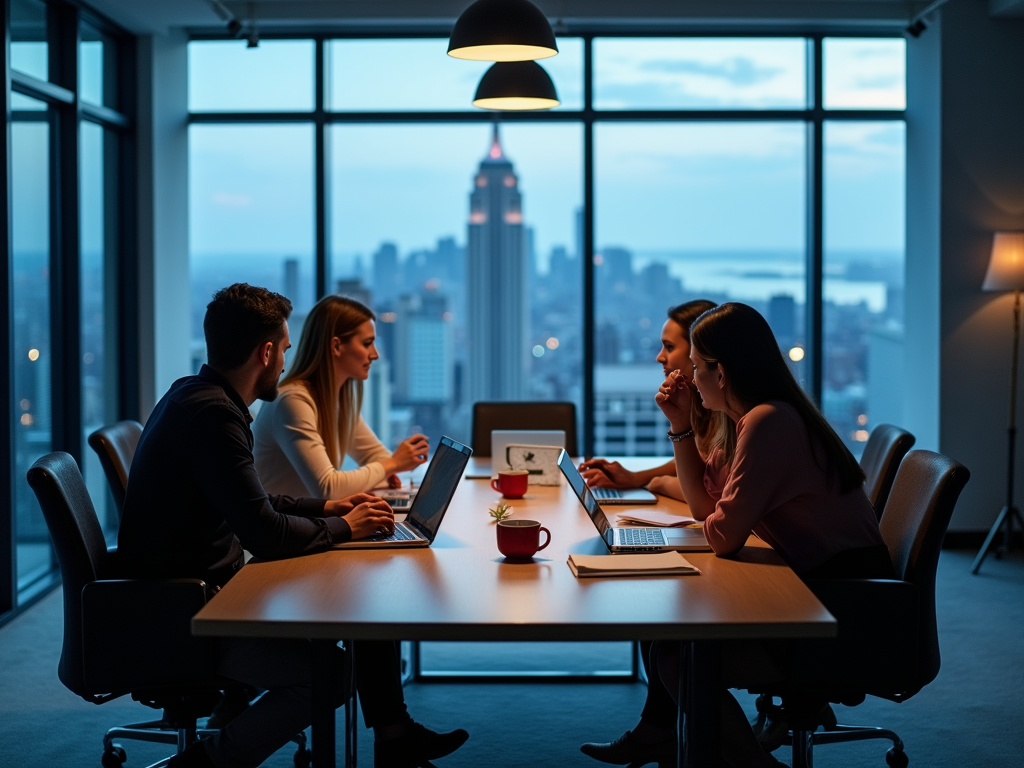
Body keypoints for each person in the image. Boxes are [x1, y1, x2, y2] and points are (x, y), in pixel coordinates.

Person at [117, 284, 467, 768]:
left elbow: (255, 500)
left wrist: (328, 511)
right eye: (282, 349)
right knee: (331, 673)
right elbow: (265, 531)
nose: (284, 361)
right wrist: (347, 528)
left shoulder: (196, 397)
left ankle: (394, 739)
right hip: (189, 613)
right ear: (265, 352)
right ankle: (202, 764)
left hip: (195, 590)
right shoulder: (216, 417)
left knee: (363, 602)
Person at [580, 302, 893, 768]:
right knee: (671, 636)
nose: (692, 376)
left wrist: (693, 506)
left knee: (677, 657)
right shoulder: (755, 418)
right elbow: (709, 509)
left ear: (721, 373)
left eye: (699, 368)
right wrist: (681, 427)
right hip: (814, 587)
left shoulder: (769, 422)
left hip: (841, 609)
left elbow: (722, 535)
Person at [254, 295, 428, 500]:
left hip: (307, 525)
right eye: (367, 343)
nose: (375, 354)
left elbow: (375, 456)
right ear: (336, 346)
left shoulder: (335, 401)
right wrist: (392, 465)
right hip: (279, 531)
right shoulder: (292, 402)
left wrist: (386, 469)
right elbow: (328, 488)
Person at [580, 299, 733, 502]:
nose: (659, 357)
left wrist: (653, 482)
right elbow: (700, 459)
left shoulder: (729, 413)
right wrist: (634, 477)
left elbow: (709, 496)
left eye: (669, 347)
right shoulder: (703, 406)